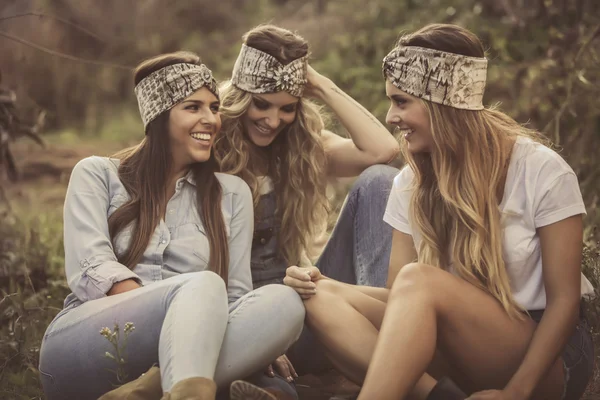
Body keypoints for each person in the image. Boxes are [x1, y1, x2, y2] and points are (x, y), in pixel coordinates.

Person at [284, 24, 595, 400]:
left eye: (401, 102)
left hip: (542, 355)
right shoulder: (411, 182)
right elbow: (403, 300)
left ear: (444, 104)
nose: (390, 117)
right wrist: (322, 282)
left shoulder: (540, 170)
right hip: (454, 348)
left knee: (421, 279)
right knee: (315, 293)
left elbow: (565, 303)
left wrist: (516, 392)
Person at [37, 51, 305, 400]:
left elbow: (237, 295)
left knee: (284, 302)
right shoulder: (97, 174)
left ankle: (152, 388)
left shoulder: (233, 194)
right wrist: (186, 319)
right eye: (193, 107)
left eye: (213, 107)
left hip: (189, 348)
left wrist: (262, 335)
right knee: (201, 286)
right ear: (158, 115)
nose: (210, 119)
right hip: (90, 343)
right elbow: (92, 269)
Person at [212, 24, 401, 399]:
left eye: (287, 108)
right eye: (261, 103)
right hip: (238, 317)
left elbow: (382, 151)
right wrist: (260, 332)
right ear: (239, 96)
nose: (272, 119)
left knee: (380, 180)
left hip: (308, 306)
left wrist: (322, 87)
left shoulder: (300, 146)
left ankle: (395, 335)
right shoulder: (209, 144)